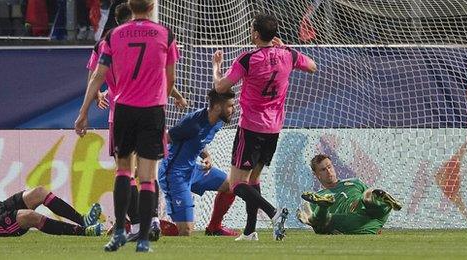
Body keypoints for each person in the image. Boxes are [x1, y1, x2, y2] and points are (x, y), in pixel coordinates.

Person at [75, 0, 179, 252]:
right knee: (147, 176)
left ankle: (120, 231)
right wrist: (160, 100)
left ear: (130, 6)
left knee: (123, 171)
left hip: (123, 109)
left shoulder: (113, 36)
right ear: (152, 5)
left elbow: (98, 75)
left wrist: (83, 112)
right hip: (152, 110)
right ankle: (143, 238)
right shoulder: (165, 34)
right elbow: (171, 77)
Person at [213, 13, 317, 241]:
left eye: (252, 30)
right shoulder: (288, 54)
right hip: (273, 129)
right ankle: (250, 232)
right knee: (253, 179)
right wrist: (285, 47)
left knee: (236, 183)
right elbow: (312, 66)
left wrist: (216, 67)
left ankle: (273, 212)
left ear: (256, 34)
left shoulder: (248, 59)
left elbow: (221, 88)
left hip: (251, 128)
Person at [158, 89, 238, 237]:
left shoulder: (217, 121)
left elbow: (199, 141)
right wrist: (140, 162)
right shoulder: (192, 122)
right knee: (186, 231)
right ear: (217, 107)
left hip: (193, 170)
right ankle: (140, 226)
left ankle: (214, 227)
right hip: (174, 175)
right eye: (230, 106)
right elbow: (165, 138)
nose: (233, 110)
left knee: (231, 185)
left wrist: (206, 156)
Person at [296, 154, 402, 235]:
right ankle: (323, 206)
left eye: (329, 167)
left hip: (365, 209)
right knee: (323, 221)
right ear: (317, 175)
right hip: (352, 218)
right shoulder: (317, 196)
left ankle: (377, 199)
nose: (328, 171)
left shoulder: (355, 182)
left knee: (368, 199)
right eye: (323, 169)